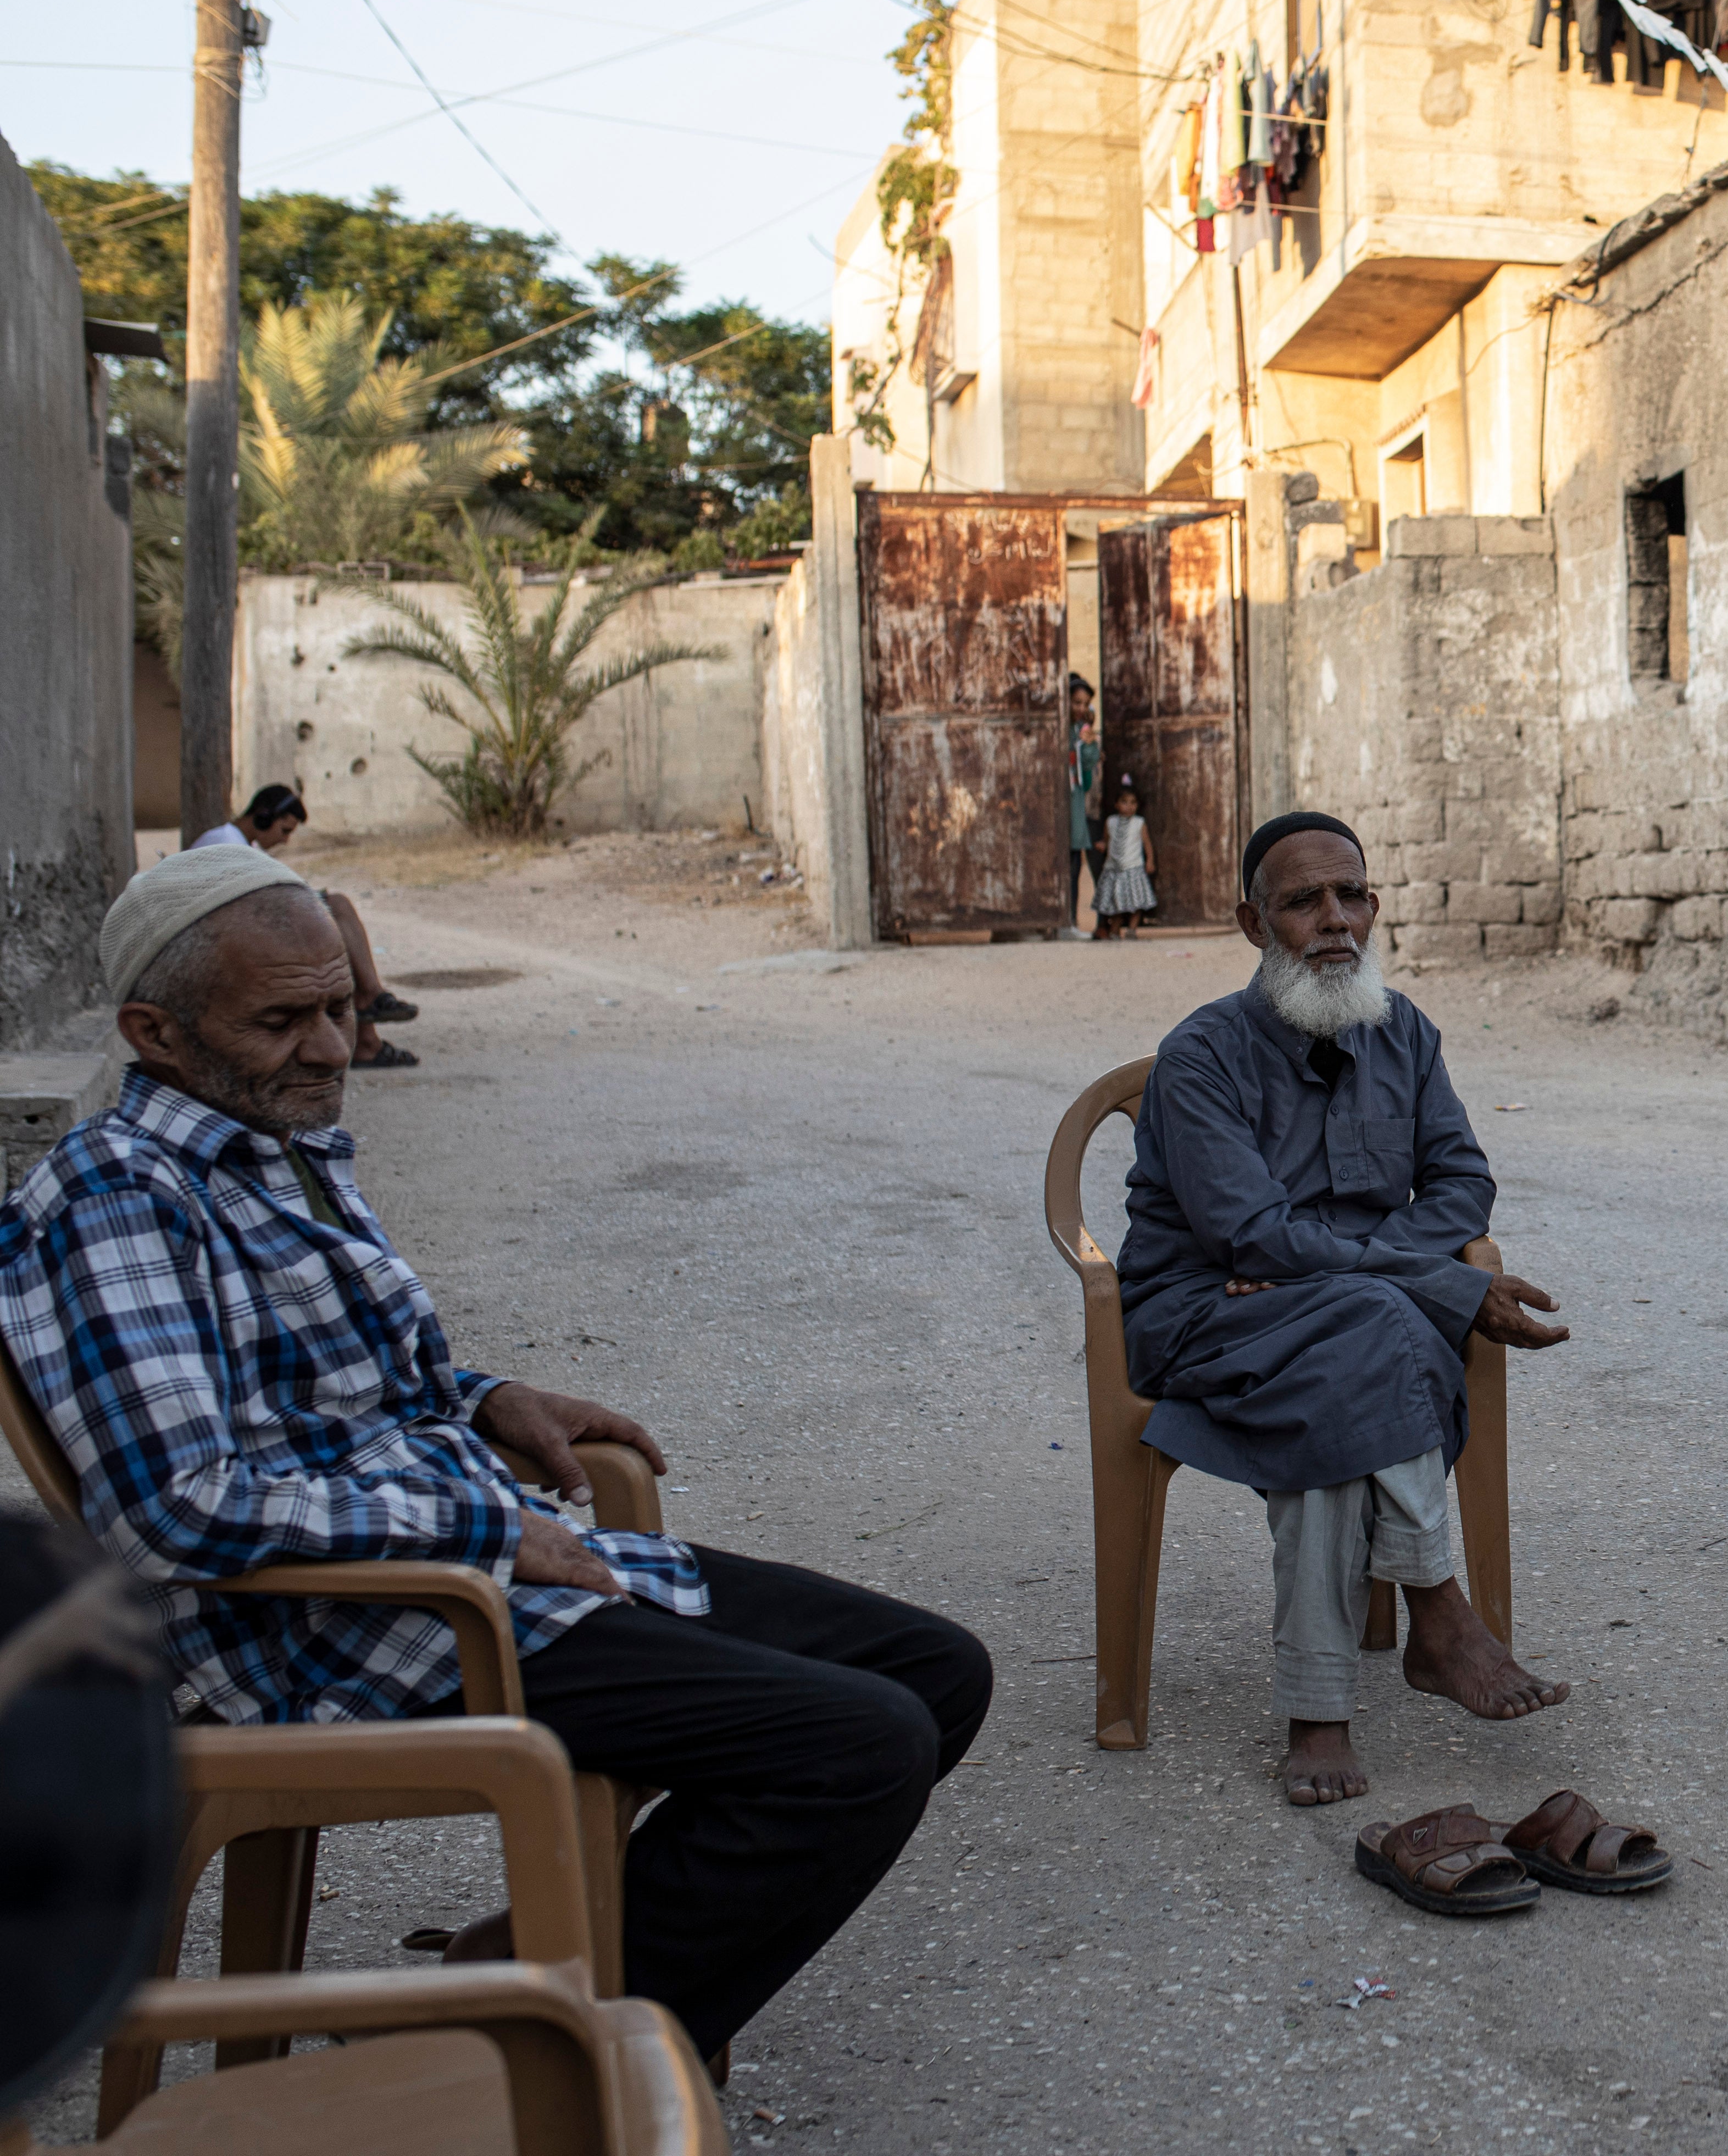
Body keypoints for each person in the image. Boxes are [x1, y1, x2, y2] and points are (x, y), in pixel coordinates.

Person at [0, 845, 994, 2073]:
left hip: (463, 1565)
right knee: (857, 1745)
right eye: (284, 1018)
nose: (333, 1046)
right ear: (154, 1029)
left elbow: (326, 1387)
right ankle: (553, 2050)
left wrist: (486, 1397)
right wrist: (484, 1533)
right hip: (338, 1624)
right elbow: (178, 1505)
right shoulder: (119, 1193)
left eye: (344, 1005)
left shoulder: (270, 1139)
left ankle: (525, 1981)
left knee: (935, 1669)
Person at [1116, 810, 1573, 1805]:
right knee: (1369, 1333)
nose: (1336, 921)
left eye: (1353, 896)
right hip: (1207, 1315)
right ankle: (1438, 1614)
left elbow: (1461, 1186)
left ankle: (1320, 1712)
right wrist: (1417, 1279)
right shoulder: (1199, 1057)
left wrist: (1341, 1273)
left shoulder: (1405, 1031)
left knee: (1349, 1351)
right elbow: (1252, 1238)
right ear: (1252, 923)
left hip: (1335, 1321)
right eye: (1302, 902)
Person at [190, 784, 415, 1069]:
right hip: (220, 937)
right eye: (284, 831)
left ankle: (369, 1013)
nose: (285, 841)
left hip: (238, 927)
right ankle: (369, 1008)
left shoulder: (239, 843)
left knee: (335, 914)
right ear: (263, 817)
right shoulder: (225, 842)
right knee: (334, 916)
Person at [1095, 782, 1157, 941]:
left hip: (1134, 868)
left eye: (1133, 803)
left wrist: (1150, 861)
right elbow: (1107, 841)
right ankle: (1114, 931)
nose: (1129, 807)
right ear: (1116, 804)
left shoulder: (1139, 823)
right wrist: (1102, 845)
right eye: (1124, 802)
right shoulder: (1111, 822)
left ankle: (1132, 930)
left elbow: (1147, 844)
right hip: (1114, 869)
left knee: (1136, 903)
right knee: (1117, 903)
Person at [1066, 674, 1103, 924]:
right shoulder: (1058, 727)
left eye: (1084, 704)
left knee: (1072, 860)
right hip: (1059, 800)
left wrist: (1090, 743)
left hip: (1074, 800)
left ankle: (1069, 921)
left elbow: (1089, 762)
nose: (1080, 708)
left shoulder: (1082, 730)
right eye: (1076, 702)